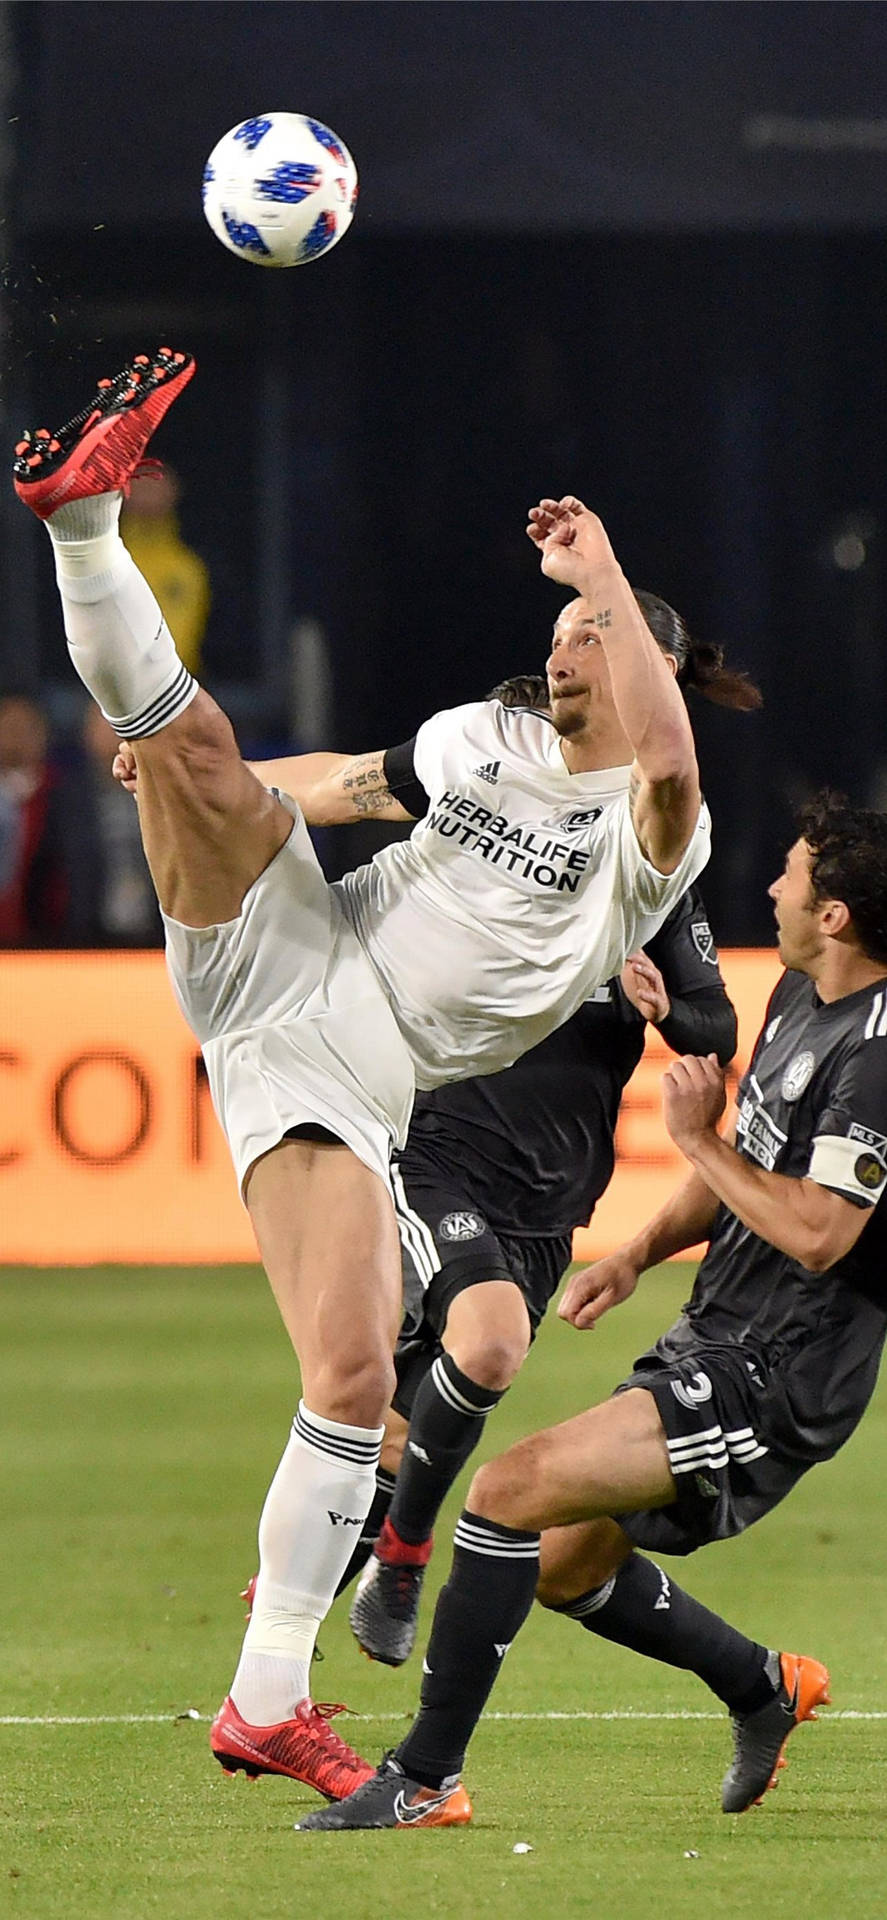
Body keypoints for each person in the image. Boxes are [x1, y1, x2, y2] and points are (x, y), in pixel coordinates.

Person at [13, 347, 713, 1803]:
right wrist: (230, 802)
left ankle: (265, 1695)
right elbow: (337, 786)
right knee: (194, 744)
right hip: (298, 950)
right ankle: (80, 517)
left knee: (345, 1369)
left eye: (589, 629)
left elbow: (669, 764)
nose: (562, 639)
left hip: (351, 1063)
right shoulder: (487, 738)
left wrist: (607, 567)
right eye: (567, 621)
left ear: (632, 655)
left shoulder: (649, 851)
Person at [298, 792, 887, 1830]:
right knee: (565, 1559)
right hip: (720, 1331)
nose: (770, 886)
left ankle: (422, 1779)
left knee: (508, 1491)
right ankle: (761, 1687)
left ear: (833, 912)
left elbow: (820, 1233)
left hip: (784, 1371)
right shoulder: (800, 989)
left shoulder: (879, 1054)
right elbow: (748, 1158)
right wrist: (636, 1252)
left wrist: (695, 1138)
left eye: (789, 873)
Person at [342, 672, 743, 1668]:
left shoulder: (643, 880)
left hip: (552, 1195)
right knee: (467, 1352)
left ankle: (336, 1565)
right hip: (438, 1149)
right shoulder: (477, 865)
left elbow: (714, 1026)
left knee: (419, 1403)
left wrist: (660, 1009)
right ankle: (385, 1562)